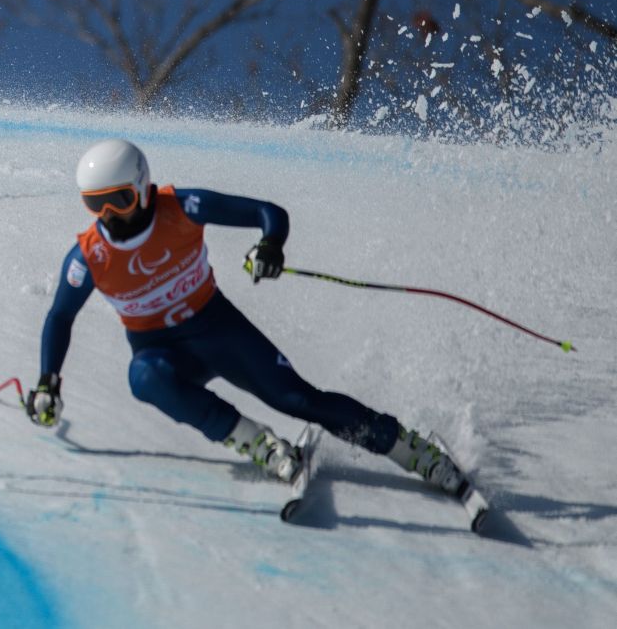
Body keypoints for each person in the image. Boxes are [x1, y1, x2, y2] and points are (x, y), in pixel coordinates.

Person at [26, 138, 468, 496]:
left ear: (141, 188)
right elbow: (60, 316)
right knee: (143, 378)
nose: (108, 216)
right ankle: (258, 443)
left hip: (218, 329)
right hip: (162, 353)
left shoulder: (180, 207)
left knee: (297, 400)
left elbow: (268, 213)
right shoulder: (89, 257)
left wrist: (270, 244)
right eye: (94, 204)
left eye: (118, 200)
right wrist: (49, 381)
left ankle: (411, 451)